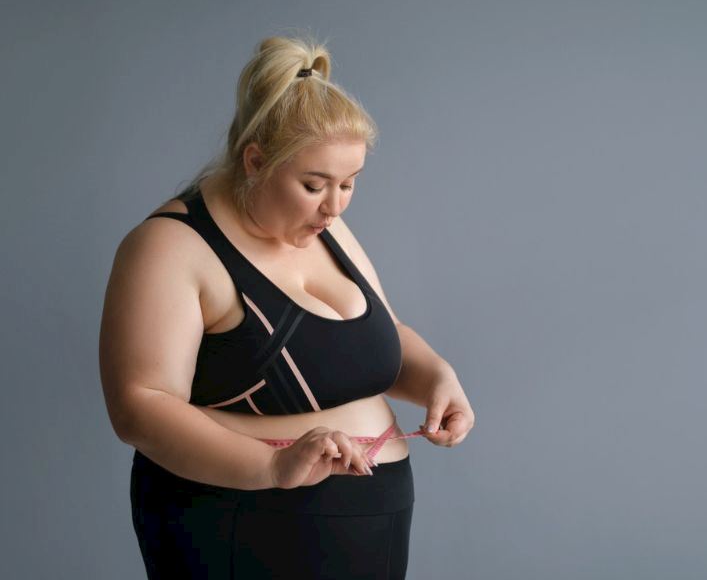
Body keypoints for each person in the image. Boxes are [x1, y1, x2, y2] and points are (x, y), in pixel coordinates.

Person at [99, 34, 475, 579]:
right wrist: (274, 465)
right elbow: (139, 405)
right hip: (239, 524)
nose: (335, 205)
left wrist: (437, 378)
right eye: (314, 185)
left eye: (349, 184)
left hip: (370, 525)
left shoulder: (326, 228)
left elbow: (378, 339)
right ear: (255, 161)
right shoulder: (171, 247)